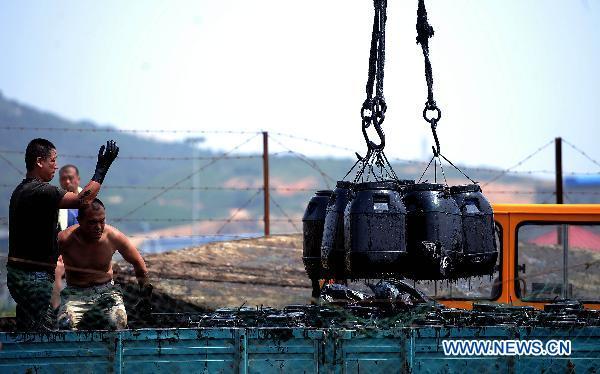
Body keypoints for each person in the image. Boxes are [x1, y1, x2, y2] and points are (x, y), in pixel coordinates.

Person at [7, 138, 119, 331]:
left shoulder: (22, 190)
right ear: (39, 161)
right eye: (52, 160)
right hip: (34, 277)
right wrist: (101, 169)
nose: (55, 166)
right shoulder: (39, 191)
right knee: (43, 333)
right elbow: (83, 200)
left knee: (28, 328)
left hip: (22, 274)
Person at [57, 199, 151, 330]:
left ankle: (114, 350)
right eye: (92, 222)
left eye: (102, 221)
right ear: (80, 221)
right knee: (65, 324)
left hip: (107, 292)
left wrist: (145, 294)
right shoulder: (64, 239)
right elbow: (44, 265)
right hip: (75, 295)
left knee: (118, 322)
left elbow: (138, 262)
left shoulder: (113, 236)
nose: (98, 227)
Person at [58, 164, 82, 230]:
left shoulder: (89, 200)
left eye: (70, 178)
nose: (67, 182)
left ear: (78, 179)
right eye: (63, 178)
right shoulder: (54, 202)